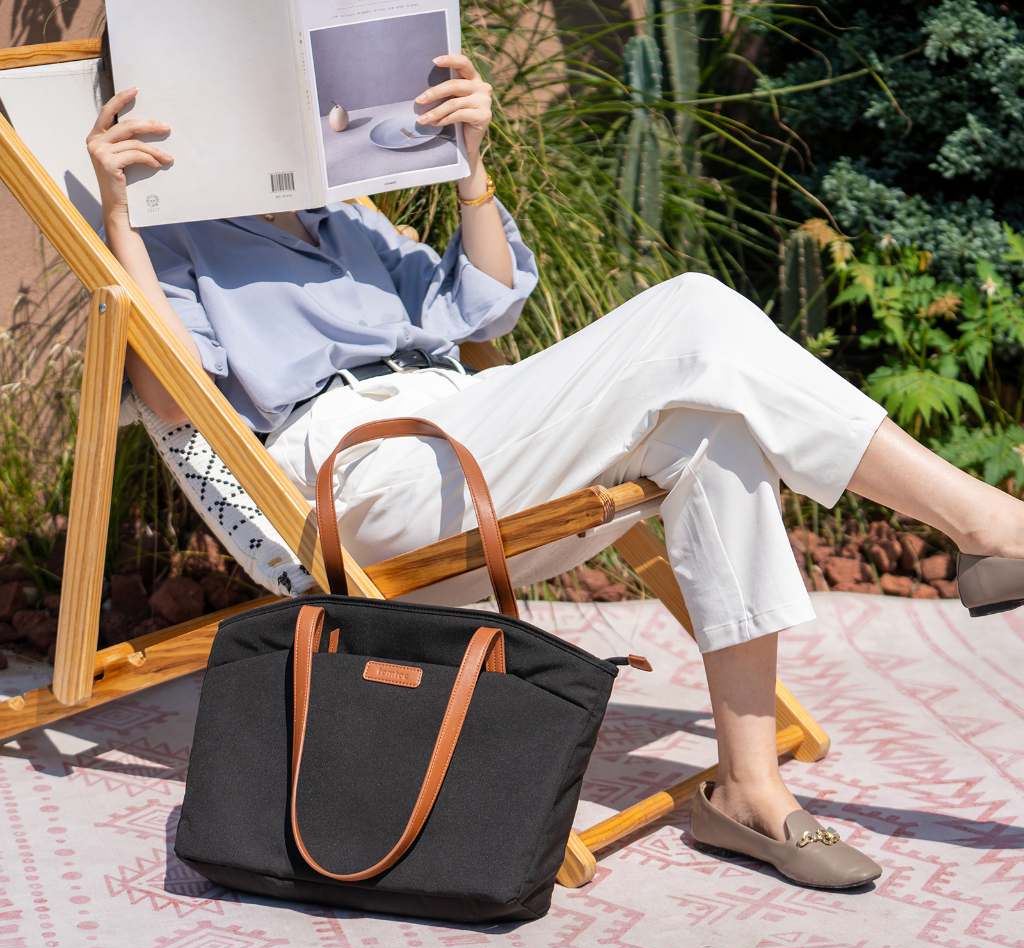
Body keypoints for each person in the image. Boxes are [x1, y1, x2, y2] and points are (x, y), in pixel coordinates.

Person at [88, 55, 1024, 890]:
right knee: (695, 310)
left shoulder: (346, 213)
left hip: (463, 429)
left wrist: (470, 163)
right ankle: (989, 527)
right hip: (359, 476)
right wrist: (123, 215)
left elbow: (487, 309)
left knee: (710, 431)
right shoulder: (170, 235)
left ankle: (749, 787)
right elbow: (174, 401)